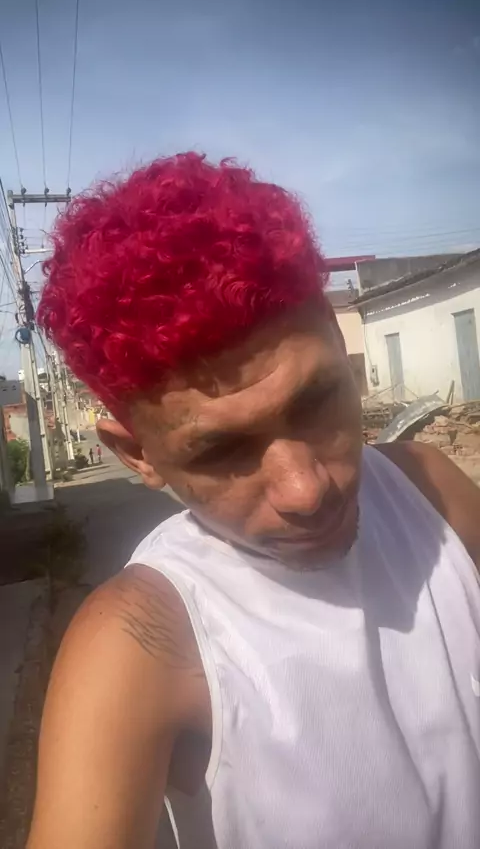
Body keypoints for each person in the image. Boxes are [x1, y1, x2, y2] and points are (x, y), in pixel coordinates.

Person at [28, 153, 480, 849]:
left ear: (338, 343)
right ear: (138, 455)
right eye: (220, 452)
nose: (307, 489)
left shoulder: (428, 488)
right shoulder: (141, 643)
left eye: (317, 400)